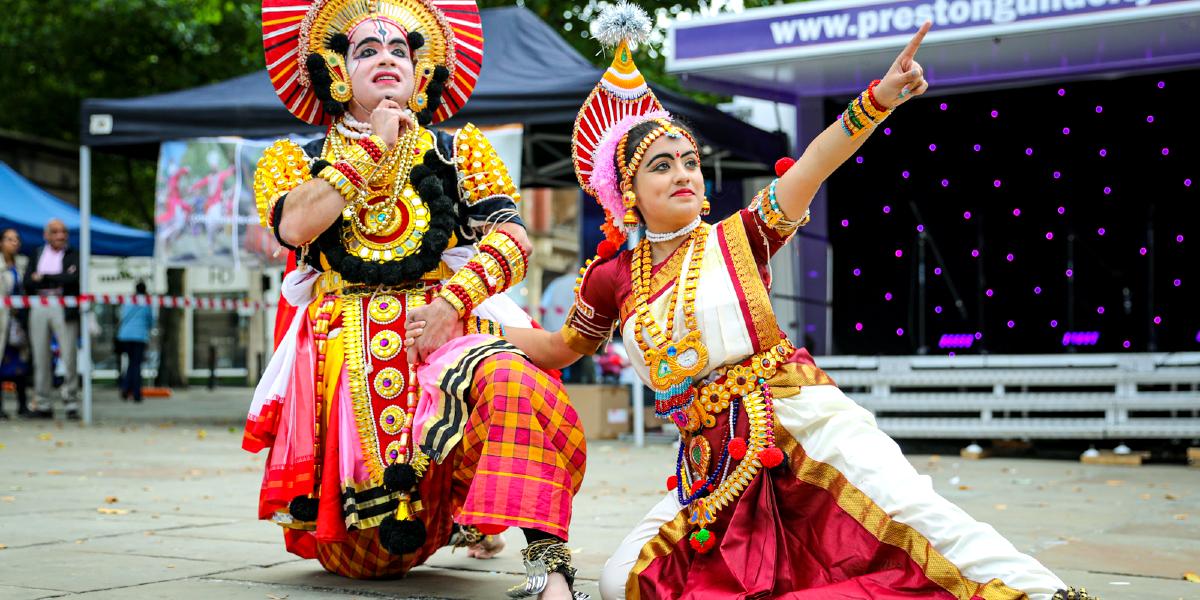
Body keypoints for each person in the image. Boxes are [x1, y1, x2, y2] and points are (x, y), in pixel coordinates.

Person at [468, 5, 1094, 599]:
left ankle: (1047, 593)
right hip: (710, 465)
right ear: (626, 190)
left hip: (796, 418)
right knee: (624, 579)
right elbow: (557, 349)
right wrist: (480, 312)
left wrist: (878, 99)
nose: (684, 172)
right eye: (662, 166)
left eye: (690, 160)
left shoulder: (741, 235)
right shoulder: (611, 278)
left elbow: (816, 163)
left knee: (919, 516)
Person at [245, 1, 588, 598]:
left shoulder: (460, 152)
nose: (385, 58)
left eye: (399, 50)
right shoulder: (294, 159)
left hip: (443, 332)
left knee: (516, 379)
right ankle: (459, 523)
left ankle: (549, 567)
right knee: (368, 563)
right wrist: (369, 150)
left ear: (420, 73)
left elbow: (513, 238)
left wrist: (455, 300)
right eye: (366, 50)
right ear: (336, 72)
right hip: (341, 355)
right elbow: (295, 228)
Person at [24, 219, 80, 420]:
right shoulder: (38, 253)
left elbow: (72, 279)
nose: (60, 235)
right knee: (40, 355)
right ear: (46, 235)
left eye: (63, 231)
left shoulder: (72, 254)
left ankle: (71, 401)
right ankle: (43, 402)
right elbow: (28, 280)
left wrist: (45, 277)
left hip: (63, 305)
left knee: (69, 355)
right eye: (55, 232)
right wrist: (54, 277)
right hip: (40, 304)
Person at [0, 228, 33, 419]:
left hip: (19, 323)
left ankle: (23, 405)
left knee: (21, 365)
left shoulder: (23, 264)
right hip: (3, 321)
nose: (14, 243)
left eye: (17, 239)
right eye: (9, 239)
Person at [117, 281, 154, 403]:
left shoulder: (128, 300)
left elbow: (122, 315)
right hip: (139, 337)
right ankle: (136, 393)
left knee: (131, 364)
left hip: (125, 336)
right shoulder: (146, 302)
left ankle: (126, 388)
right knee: (136, 364)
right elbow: (151, 320)